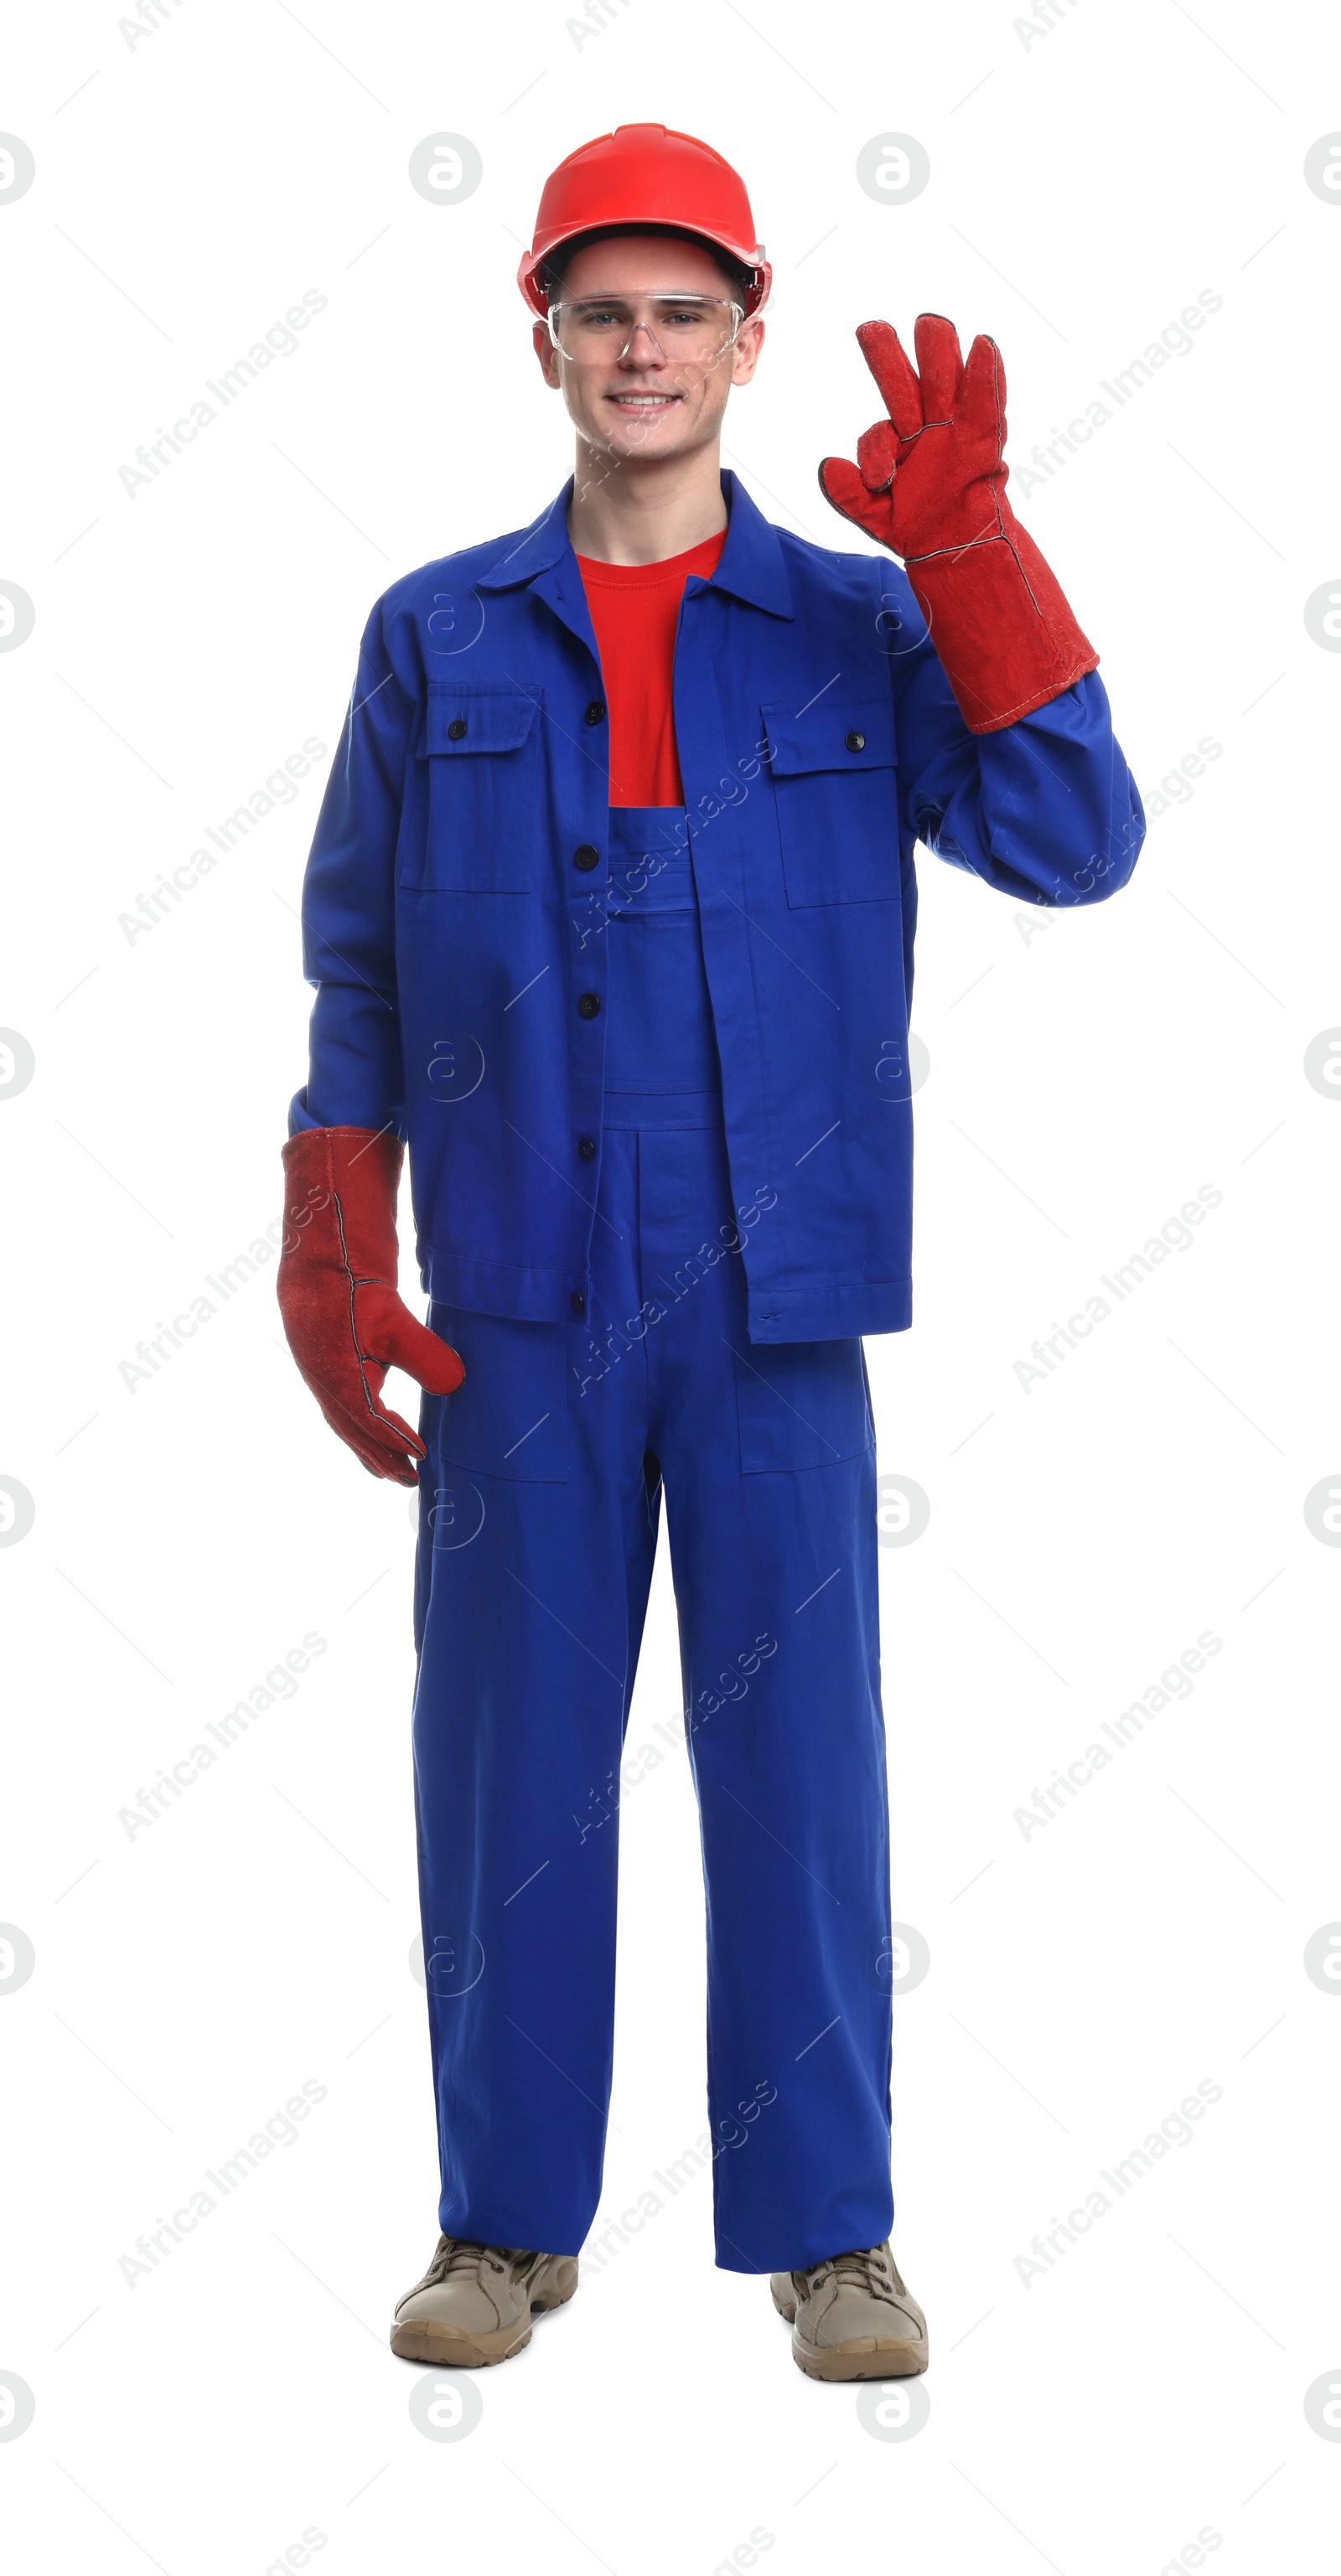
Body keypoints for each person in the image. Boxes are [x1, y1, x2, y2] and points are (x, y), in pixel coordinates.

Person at [277, 123, 1144, 2381]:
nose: (641, 349)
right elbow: (360, 968)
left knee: (802, 1771)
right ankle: (502, 2222)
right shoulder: (437, 631)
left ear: (749, 339)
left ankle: (832, 2230)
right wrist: (329, 1241)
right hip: (521, 1292)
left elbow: (1079, 834)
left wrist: (970, 543)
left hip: (777, 1287)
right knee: (508, 1768)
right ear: (543, 339)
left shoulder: (859, 621)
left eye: (683, 312)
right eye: (602, 310)